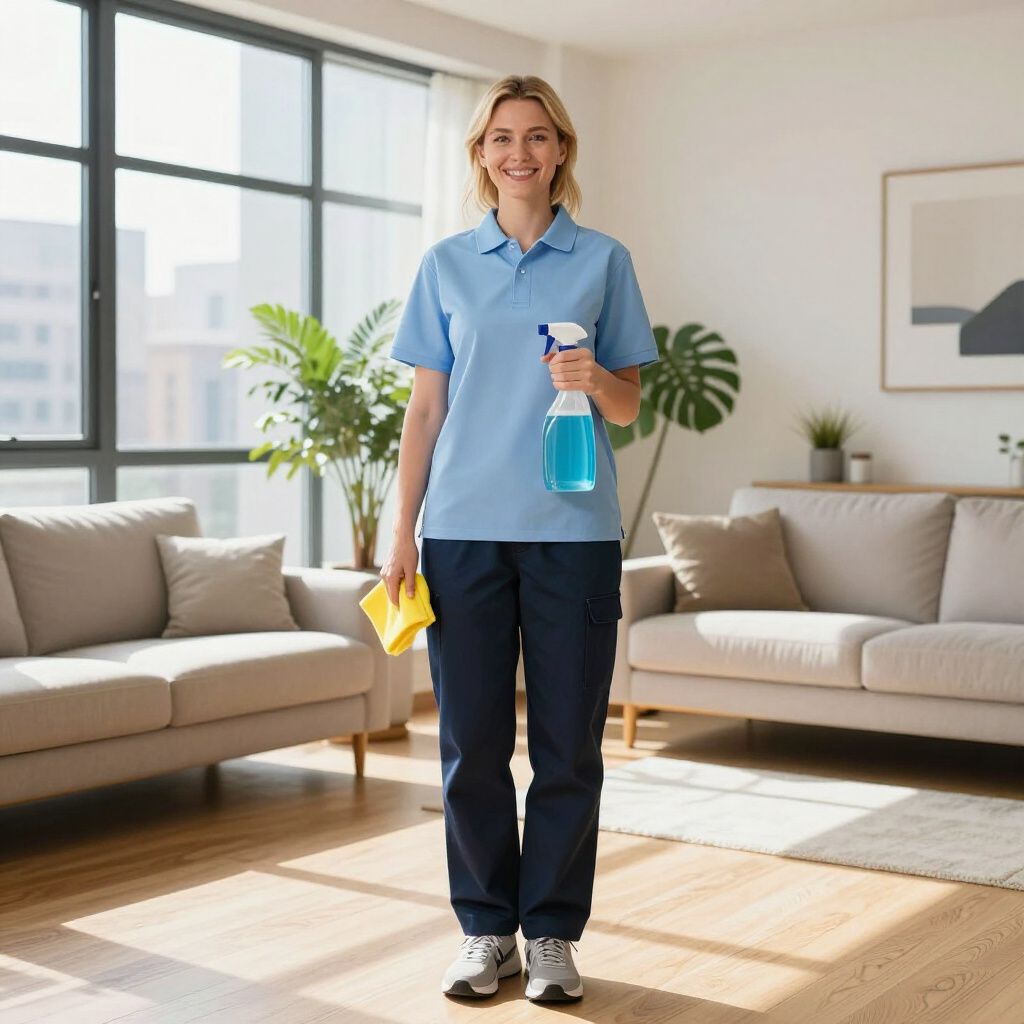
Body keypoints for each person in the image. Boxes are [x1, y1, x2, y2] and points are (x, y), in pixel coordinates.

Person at [379, 74, 660, 1004]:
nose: (520, 152)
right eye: (502, 137)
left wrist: (591, 373)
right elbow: (424, 413)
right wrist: (399, 529)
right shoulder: (446, 265)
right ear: (481, 155)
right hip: (459, 530)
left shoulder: (603, 259)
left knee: (568, 745)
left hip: (572, 533)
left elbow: (627, 404)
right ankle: (483, 928)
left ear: (561, 151)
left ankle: (549, 934)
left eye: (537, 136)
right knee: (470, 742)